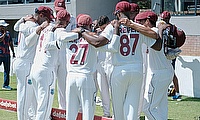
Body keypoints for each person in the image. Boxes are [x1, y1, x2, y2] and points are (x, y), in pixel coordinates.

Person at [134, 11, 174, 120]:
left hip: (158, 73)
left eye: (140, 21)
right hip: (167, 70)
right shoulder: (162, 31)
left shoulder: (152, 32)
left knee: (147, 107)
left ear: (147, 21)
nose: (139, 24)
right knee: (161, 106)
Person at [13, 6, 51, 120]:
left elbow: (15, 27)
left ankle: (31, 117)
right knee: (24, 96)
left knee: (29, 94)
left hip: (23, 62)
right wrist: (40, 27)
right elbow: (31, 38)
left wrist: (23, 19)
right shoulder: (33, 26)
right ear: (41, 16)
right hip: (26, 62)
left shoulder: (24, 24)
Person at [53, 0, 77, 109]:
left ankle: (64, 109)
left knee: (63, 84)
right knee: (50, 84)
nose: (59, 13)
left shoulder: (71, 19)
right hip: (52, 52)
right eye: (57, 10)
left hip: (64, 52)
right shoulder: (51, 18)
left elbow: (74, 34)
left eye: (61, 10)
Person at [161, 11, 182, 101]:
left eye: (163, 19)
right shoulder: (173, 27)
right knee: (170, 73)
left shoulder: (168, 28)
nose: (162, 20)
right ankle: (175, 92)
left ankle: (177, 93)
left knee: (171, 73)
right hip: (169, 52)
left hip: (167, 52)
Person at [95, 15, 112, 118]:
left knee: (113, 91)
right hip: (100, 64)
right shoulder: (99, 33)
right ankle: (106, 113)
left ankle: (116, 113)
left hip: (111, 63)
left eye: (104, 27)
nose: (103, 30)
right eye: (101, 28)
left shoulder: (113, 31)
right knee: (103, 91)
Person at [0, 20, 15, 90]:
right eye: (4, 27)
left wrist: (13, 52)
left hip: (7, 54)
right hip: (0, 54)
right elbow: (0, 40)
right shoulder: (3, 34)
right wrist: (4, 34)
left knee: (7, 70)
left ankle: (5, 85)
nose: (5, 28)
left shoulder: (8, 34)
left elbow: (10, 43)